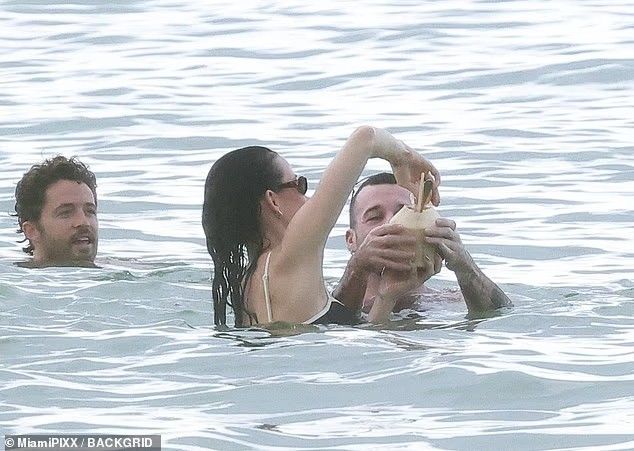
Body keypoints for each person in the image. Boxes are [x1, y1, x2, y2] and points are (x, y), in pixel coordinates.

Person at [202, 126, 441, 327]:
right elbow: (365, 138)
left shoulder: (245, 282)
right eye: (299, 185)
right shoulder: (294, 251)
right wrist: (404, 158)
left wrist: (386, 298)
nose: (307, 198)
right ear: (273, 201)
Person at [333, 172, 511, 316]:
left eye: (403, 213)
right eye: (374, 217)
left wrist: (465, 267)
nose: (390, 224)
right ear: (351, 240)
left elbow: (501, 316)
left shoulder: (447, 300)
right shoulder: (325, 301)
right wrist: (359, 268)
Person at [14, 156, 98, 268]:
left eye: (90, 211)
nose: (83, 222)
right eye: (66, 213)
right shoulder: (12, 276)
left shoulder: (117, 267)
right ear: (32, 230)